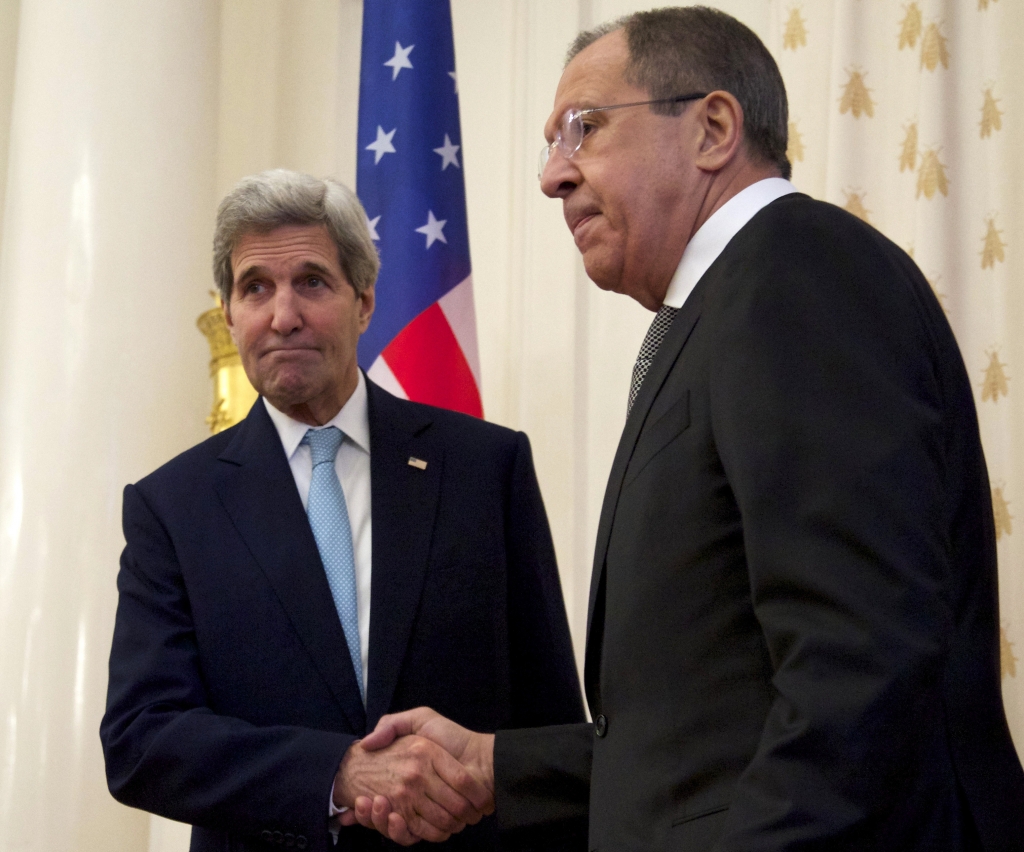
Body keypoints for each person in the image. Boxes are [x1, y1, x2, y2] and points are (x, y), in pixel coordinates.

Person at [344, 8, 1024, 851]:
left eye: (582, 129)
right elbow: (705, 736)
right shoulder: (720, 310)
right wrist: (495, 766)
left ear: (711, 128)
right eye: (552, 141)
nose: (553, 175)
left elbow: (859, 665)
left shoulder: (797, 273)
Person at [99, 169, 586, 852]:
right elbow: (142, 740)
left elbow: (550, 728)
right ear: (231, 313)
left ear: (364, 300)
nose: (283, 315)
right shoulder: (173, 507)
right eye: (256, 288)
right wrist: (339, 773)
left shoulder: (484, 468)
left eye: (312, 282)